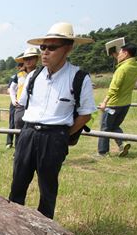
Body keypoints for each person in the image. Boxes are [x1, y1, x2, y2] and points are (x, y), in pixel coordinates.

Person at [9, 22, 96, 220]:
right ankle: (12, 224)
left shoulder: (79, 77)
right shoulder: (33, 76)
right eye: (43, 47)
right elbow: (22, 104)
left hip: (54, 136)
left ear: (68, 48)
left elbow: (85, 114)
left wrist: (63, 134)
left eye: (52, 47)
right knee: (18, 183)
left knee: (47, 187)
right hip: (28, 133)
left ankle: (46, 231)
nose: (45, 53)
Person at [96, 40, 137, 158]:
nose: (118, 55)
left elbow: (113, 89)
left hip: (113, 104)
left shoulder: (121, 69)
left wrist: (105, 102)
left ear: (125, 54)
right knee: (114, 126)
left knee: (105, 128)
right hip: (126, 104)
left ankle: (102, 153)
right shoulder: (136, 66)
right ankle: (123, 143)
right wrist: (117, 55)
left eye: (120, 52)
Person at [10, 47, 42, 147]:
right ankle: (18, 150)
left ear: (36, 59)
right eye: (26, 59)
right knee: (18, 128)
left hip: (35, 106)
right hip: (20, 106)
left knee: (33, 129)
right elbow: (12, 88)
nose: (28, 61)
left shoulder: (41, 73)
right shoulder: (19, 75)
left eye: (31, 58)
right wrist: (13, 100)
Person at [6, 62, 24, 148]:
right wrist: (14, 98)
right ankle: (9, 142)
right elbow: (9, 89)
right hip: (15, 101)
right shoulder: (15, 76)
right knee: (13, 123)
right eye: (21, 66)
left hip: (24, 102)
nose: (22, 67)